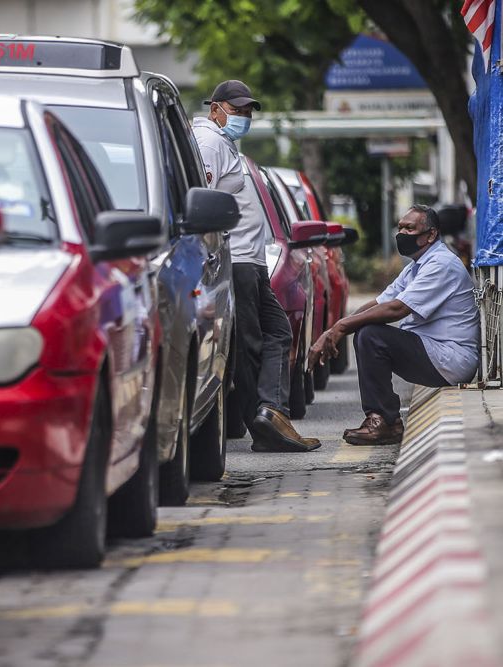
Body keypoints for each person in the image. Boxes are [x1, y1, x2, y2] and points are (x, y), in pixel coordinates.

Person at [193, 80, 320, 453]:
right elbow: (206, 199)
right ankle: (263, 421)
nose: (244, 117)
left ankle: (271, 414)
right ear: (215, 108)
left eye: (248, 111)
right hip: (240, 261)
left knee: (276, 333)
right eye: (237, 110)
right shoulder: (209, 142)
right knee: (253, 344)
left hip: (250, 257)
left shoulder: (223, 142)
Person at [309, 205, 479, 445]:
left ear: (431, 235)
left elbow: (396, 309)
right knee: (366, 331)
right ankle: (383, 419)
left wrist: (343, 328)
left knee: (371, 335)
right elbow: (379, 303)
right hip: (434, 353)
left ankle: (385, 423)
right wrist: (334, 328)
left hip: (451, 359)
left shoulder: (441, 264)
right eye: (400, 227)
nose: (402, 234)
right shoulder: (415, 267)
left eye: (410, 228)